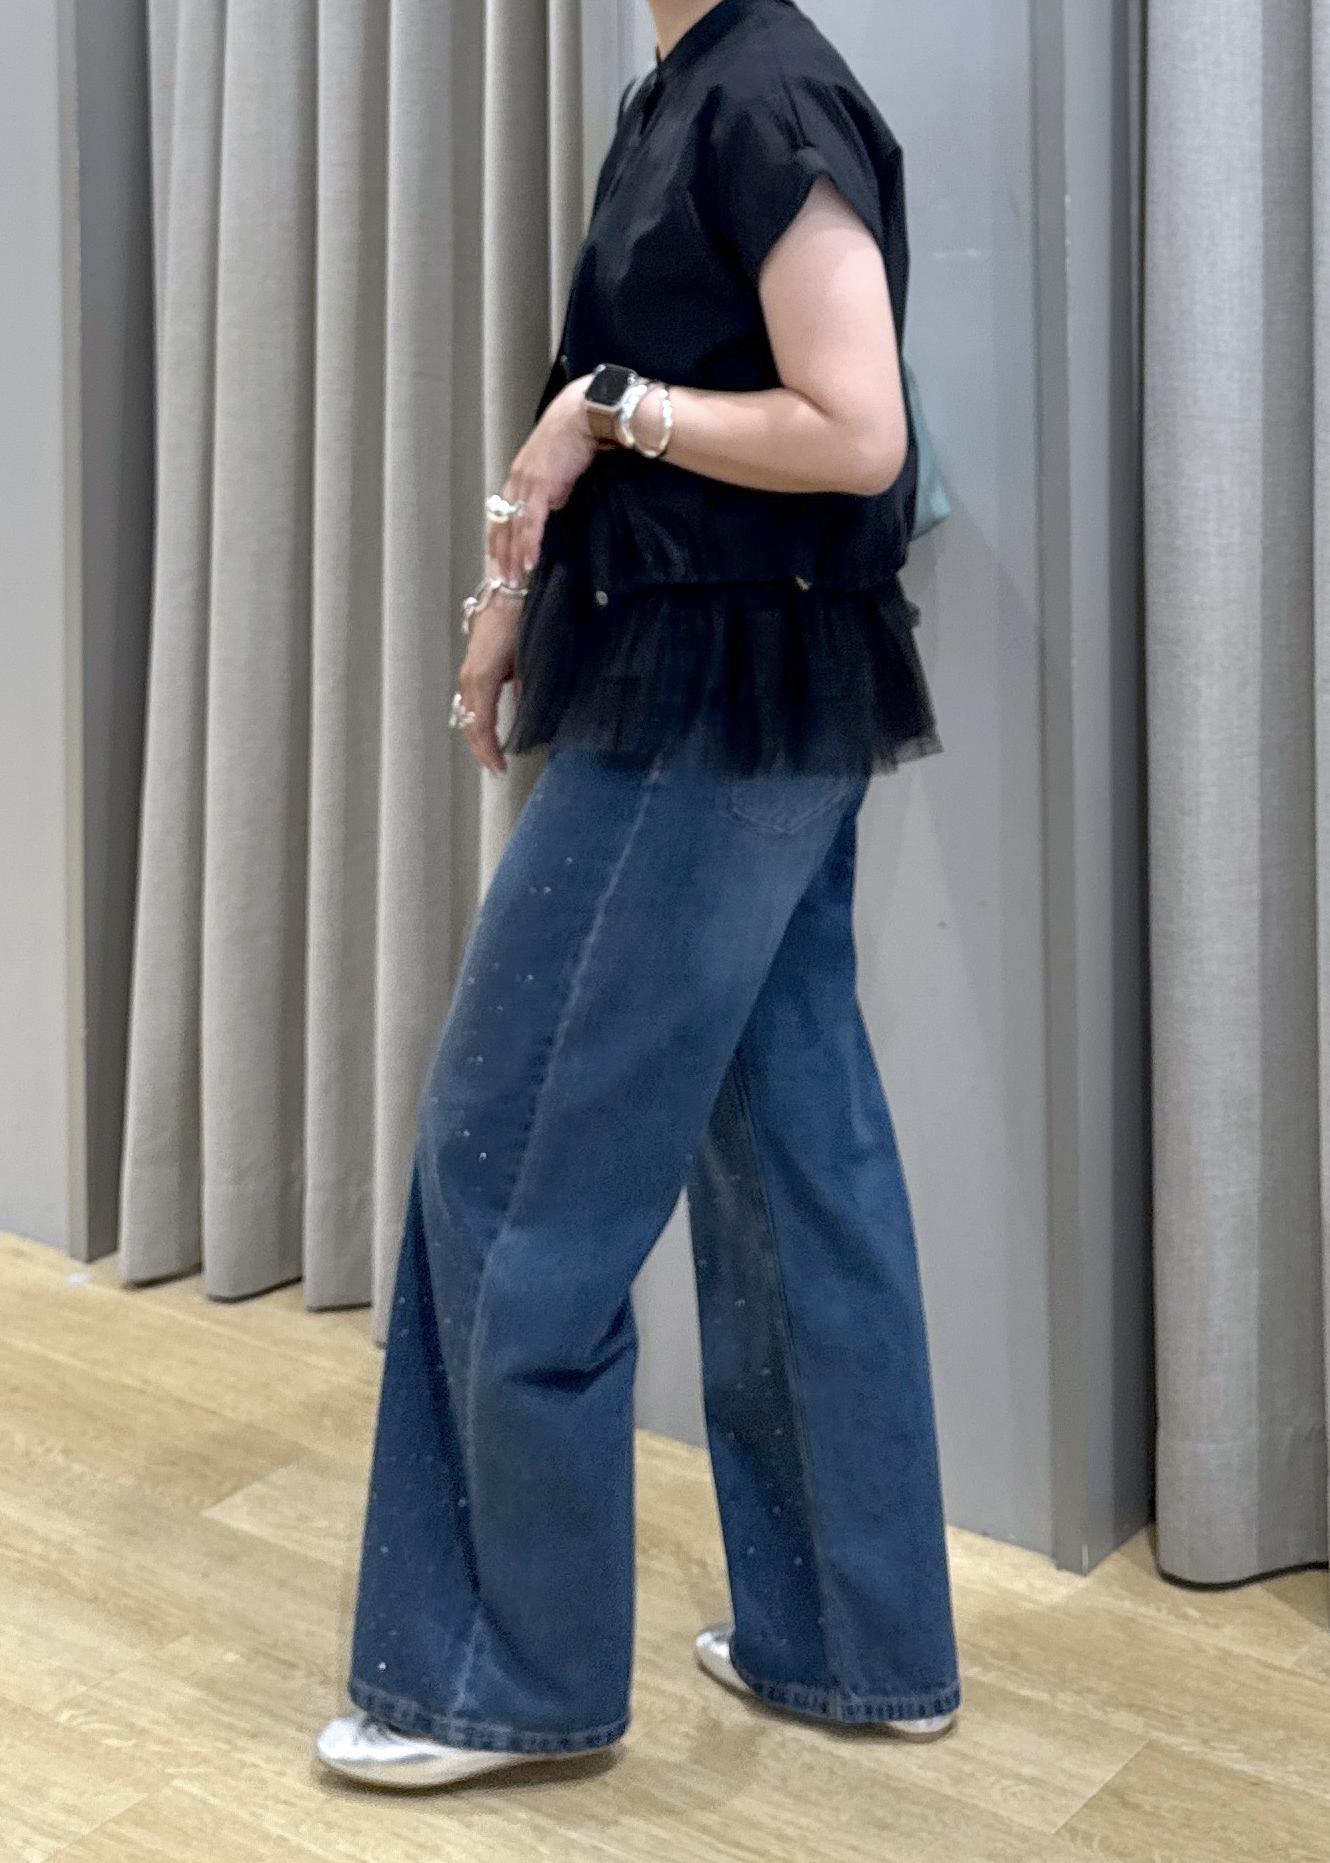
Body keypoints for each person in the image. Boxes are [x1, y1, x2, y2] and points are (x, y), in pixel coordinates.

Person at [316, 0, 962, 1791]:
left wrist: (598, 414)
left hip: (709, 712)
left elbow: (854, 431)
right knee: (790, 1157)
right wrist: (516, 582)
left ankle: (492, 1676)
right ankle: (854, 1645)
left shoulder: (762, 92)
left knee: (510, 1154)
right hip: (740, 693)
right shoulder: (689, 85)